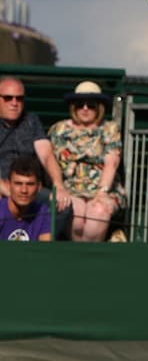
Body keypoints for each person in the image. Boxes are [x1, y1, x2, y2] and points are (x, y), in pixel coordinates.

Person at [47, 81, 126, 242]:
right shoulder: (59, 129)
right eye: (79, 104)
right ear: (73, 107)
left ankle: (92, 257)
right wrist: (58, 187)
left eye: (91, 105)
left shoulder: (109, 129)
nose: (84, 108)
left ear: (99, 107)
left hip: (104, 188)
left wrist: (102, 192)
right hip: (69, 188)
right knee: (74, 211)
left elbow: (112, 161)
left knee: (99, 211)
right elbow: (50, 160)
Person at [0, 77, 72, 216]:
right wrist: (6, 189)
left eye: (19, 98)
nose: (14, 103)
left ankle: (42, 236)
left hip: (29, 186)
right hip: (3, 184)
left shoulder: (31, 121)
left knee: (64, 206)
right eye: (8, 98)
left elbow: (46, 155)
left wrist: (58, 184)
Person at [0, 156, 51, 241]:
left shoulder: (42, 212)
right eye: (18, 183)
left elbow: (46, 250)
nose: (24, 190)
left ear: (39, 187)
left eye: (30, 184)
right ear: (8, 185)